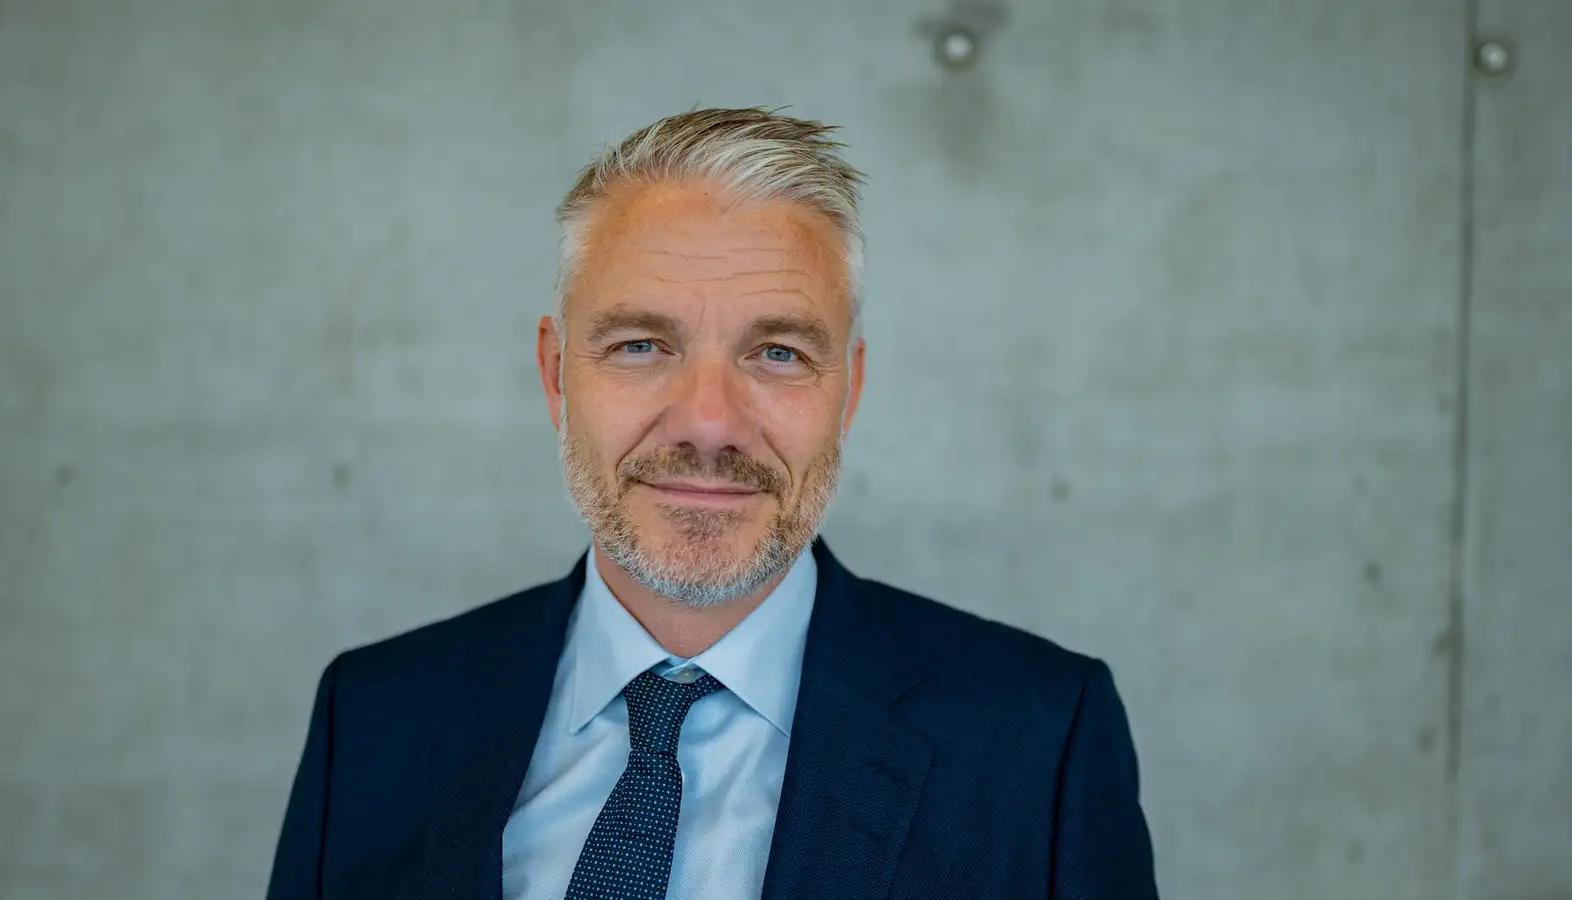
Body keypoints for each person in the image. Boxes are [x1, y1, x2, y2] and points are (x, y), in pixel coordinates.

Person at [265, 107, 1158, 900]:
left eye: (778, 353)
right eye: (641, 344)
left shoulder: (1040, 740)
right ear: (555, 374)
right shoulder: (375, 717)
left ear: (847, 391)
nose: (708, 423)